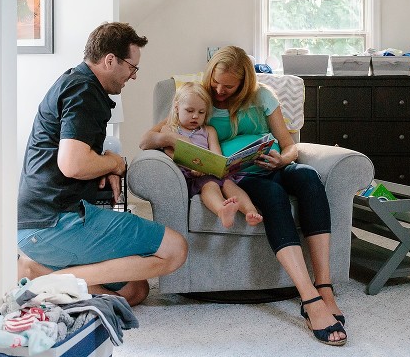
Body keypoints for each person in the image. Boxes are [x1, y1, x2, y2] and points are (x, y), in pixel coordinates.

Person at [140, 46, 347, 345]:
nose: (220, 90)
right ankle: (310, 299)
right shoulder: (199, 98)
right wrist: (171, 138)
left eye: (229, 85)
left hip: (272, 163)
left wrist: (284, 160)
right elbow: (149, 138)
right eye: (216, 82)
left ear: (245, 82)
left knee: (308, 176)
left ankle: (324, 286)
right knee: (273, 196)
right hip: (240, 176)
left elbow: (290, 146)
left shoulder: (262, 97)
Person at [17, 22, 187, 307]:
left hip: (36, 223)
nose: (132, 77)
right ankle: (41, 280)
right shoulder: (84, 91)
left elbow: (75, 150)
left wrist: (105, 164)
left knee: (135, 290)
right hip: (54, 221)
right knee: (174, 250)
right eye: (132, 68)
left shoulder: (75, 83)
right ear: (110, 60)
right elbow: (72, 164)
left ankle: (39, 271)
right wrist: (114, 162)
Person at [160, 82, 263, 228]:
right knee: (210, 184)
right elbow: (169, 152)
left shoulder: (209, 131)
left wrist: (224, 165)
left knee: (229, 183)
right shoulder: (169, 129)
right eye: (189, 111)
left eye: (201, 112)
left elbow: (216, 155)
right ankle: (222, 210)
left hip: (210, 171)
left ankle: (250, 212)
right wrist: (191, 166)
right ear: (176, 107)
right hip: (191, 176)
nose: (195, 116)